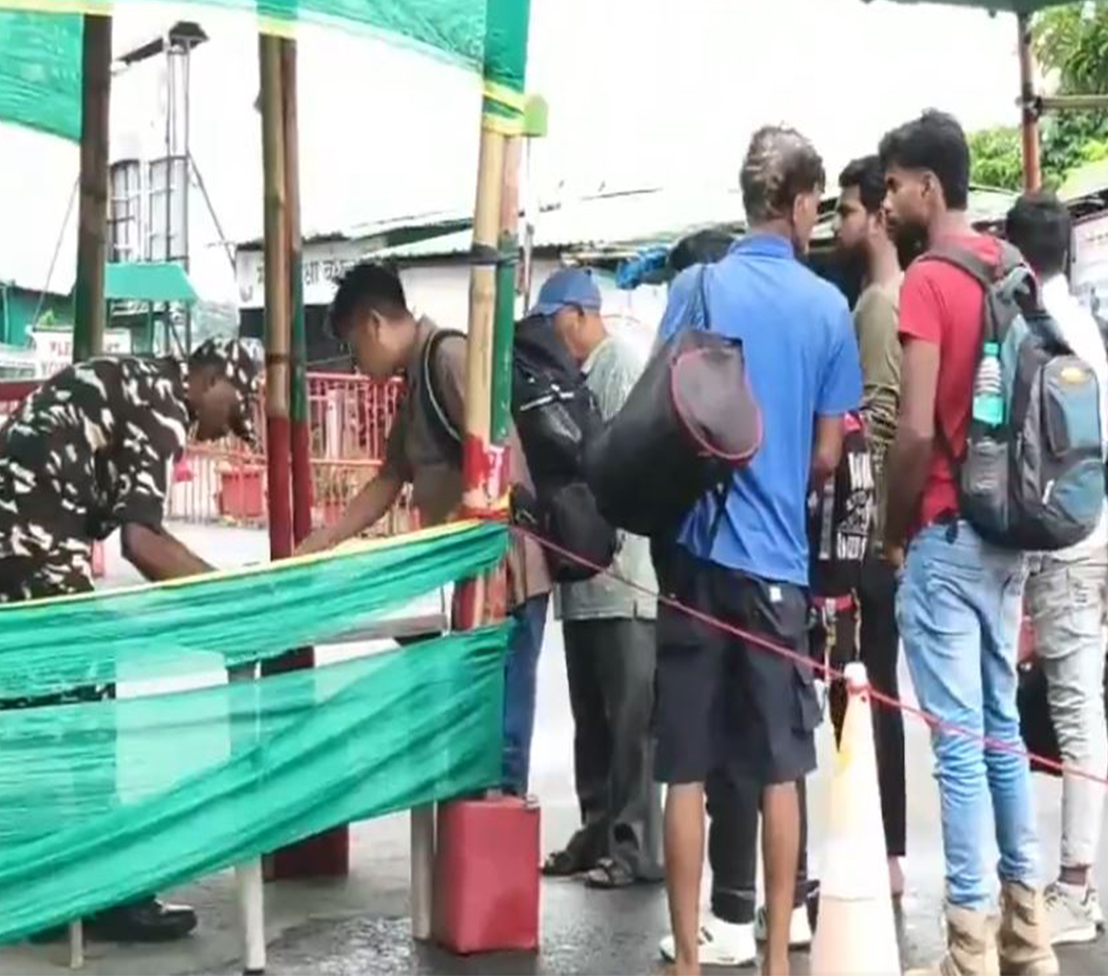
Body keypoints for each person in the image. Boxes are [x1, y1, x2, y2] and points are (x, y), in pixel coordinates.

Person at [653, 125, 861, 976]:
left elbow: (663, 410)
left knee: (687, 769)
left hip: (693, 558)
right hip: (776, 569)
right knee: (782, 767)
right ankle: (778, 956)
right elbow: (826, 452)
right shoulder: (825, 308)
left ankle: (693, 961)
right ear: (802, 201)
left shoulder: (698, 287)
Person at [0, 337, 261, 942]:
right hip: (32, 545)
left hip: (15, 541)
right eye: (235, 407)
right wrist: (229, 597)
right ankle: (103, 895)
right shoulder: (165, 404)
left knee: (31, 713)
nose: (226, 430)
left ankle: (42, 889)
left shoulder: (137, 381)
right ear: (210, 376)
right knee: (84, 708)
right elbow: (141, 543)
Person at [880, 110, 1056, 976]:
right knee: (1000, 735)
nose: (886, 204)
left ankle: (969, 951)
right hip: (1009, 530)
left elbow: (913, 431)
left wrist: (890, 528)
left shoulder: (927, 280)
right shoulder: (1009, 264)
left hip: (947, 529)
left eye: (893, 186)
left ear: (927, 186)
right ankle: (1029, 941)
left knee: (956, 744)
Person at [299, 262, 551, 792]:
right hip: (467, 572)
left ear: (373, 325)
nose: (356, 363)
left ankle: (495, 845)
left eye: (352, 347)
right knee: (471, 721)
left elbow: (504, 467)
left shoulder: (450, 359)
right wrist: (325, 540)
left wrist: (464, 531)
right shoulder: (414, 380)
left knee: (499, 730)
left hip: (505, 576)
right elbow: (391, 475)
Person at [1004, 191, 1108, 946]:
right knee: (1078, 709)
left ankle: (1074, 886)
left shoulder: (1020, 327)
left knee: (1069, 712)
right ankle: (1071, 880)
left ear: (1016, 253)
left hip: (1039, 541)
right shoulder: (1088, 329)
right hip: (1088, 532)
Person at [530, 268, 662, 890]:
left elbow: (617, 462)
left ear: (579, 314)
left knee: (630, 724)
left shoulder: (619, 365)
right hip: (583, 585)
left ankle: (635, 848)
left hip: (624, 580)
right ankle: (596, 834)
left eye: (552, 321)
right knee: (593, 723)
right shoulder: (573, 378)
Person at [832, 153, 908, 895]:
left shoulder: (881, 304)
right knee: (871, 684)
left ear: (880, 215)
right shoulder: (882, 297)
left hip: (873, 537)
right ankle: (884, 850)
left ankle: (881, 851)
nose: (839, 224)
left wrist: (868, 531)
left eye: (848, 211)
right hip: (884, 532)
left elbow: (879, 420)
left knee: (866, 685)